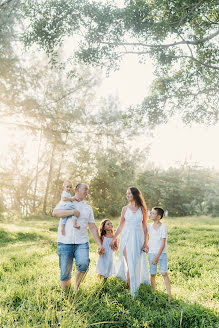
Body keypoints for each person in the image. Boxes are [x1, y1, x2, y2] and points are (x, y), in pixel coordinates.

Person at [53, 183, 105, 292]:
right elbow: (55, 213)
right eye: (85, 189)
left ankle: (76, 286)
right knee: (65, 272)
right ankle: (66, 295)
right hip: (64, 241)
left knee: (84, 263)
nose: (87, 191)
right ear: (77, 189)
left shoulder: (88, 208)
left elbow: (92, 226)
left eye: (88, 189)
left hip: (81, 242)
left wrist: (99, 244)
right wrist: (72, 212)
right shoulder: (66, 202)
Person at [110, 187, 150, 297]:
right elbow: (121, 225)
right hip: (126, 237)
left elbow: (145, 226)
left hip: (138, 238)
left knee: (136, 263)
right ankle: (131, 288)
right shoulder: (125, 209)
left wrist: (146, 243)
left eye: (129, 194)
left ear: (135, 195)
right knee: (129, 263)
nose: (127, 195)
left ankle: (133, 284)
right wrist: (114, 238)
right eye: (126, 194)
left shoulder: (142, 209)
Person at [148, 207, 171, 302]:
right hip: (151, 253)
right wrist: (146, 246)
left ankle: (169, 295)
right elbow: (150, 240)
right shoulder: (149, 227)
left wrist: (157, 257)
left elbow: (163, 243)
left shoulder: (163, 227)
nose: (151, 215)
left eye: (153, 213)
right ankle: (154, 293)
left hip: (161, 254)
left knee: (164, 273)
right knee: (153, 274)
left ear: (158, 216)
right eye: (151, 213)